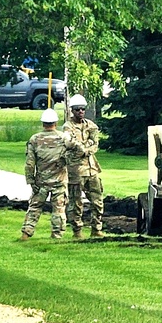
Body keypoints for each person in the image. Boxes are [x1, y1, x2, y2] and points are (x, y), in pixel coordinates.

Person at [21, 108, 79, 241]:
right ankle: (57, 235)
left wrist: (30, 180)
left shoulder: (34, 139)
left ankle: (26, 233)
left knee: (35, 207)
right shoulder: (64, 137)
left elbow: (30, 163)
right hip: (59, 180)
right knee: (59, 208)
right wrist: (66, 160)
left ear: (43, 123)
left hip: (41, 182)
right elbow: (78, 150)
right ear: (56, 122)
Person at [62, 94, 104, 239]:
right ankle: (77, 231)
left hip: (92, 168)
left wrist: (84, 149)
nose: (81, 112)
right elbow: (68, 142)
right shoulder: (68, 127)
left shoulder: (91, 125)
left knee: (97, 200)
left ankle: (96, 229)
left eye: (83, 109)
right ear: (72, 111)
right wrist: (82, 147)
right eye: (78, 109)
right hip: (76, 170)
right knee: (76, 202)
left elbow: (95, 143)